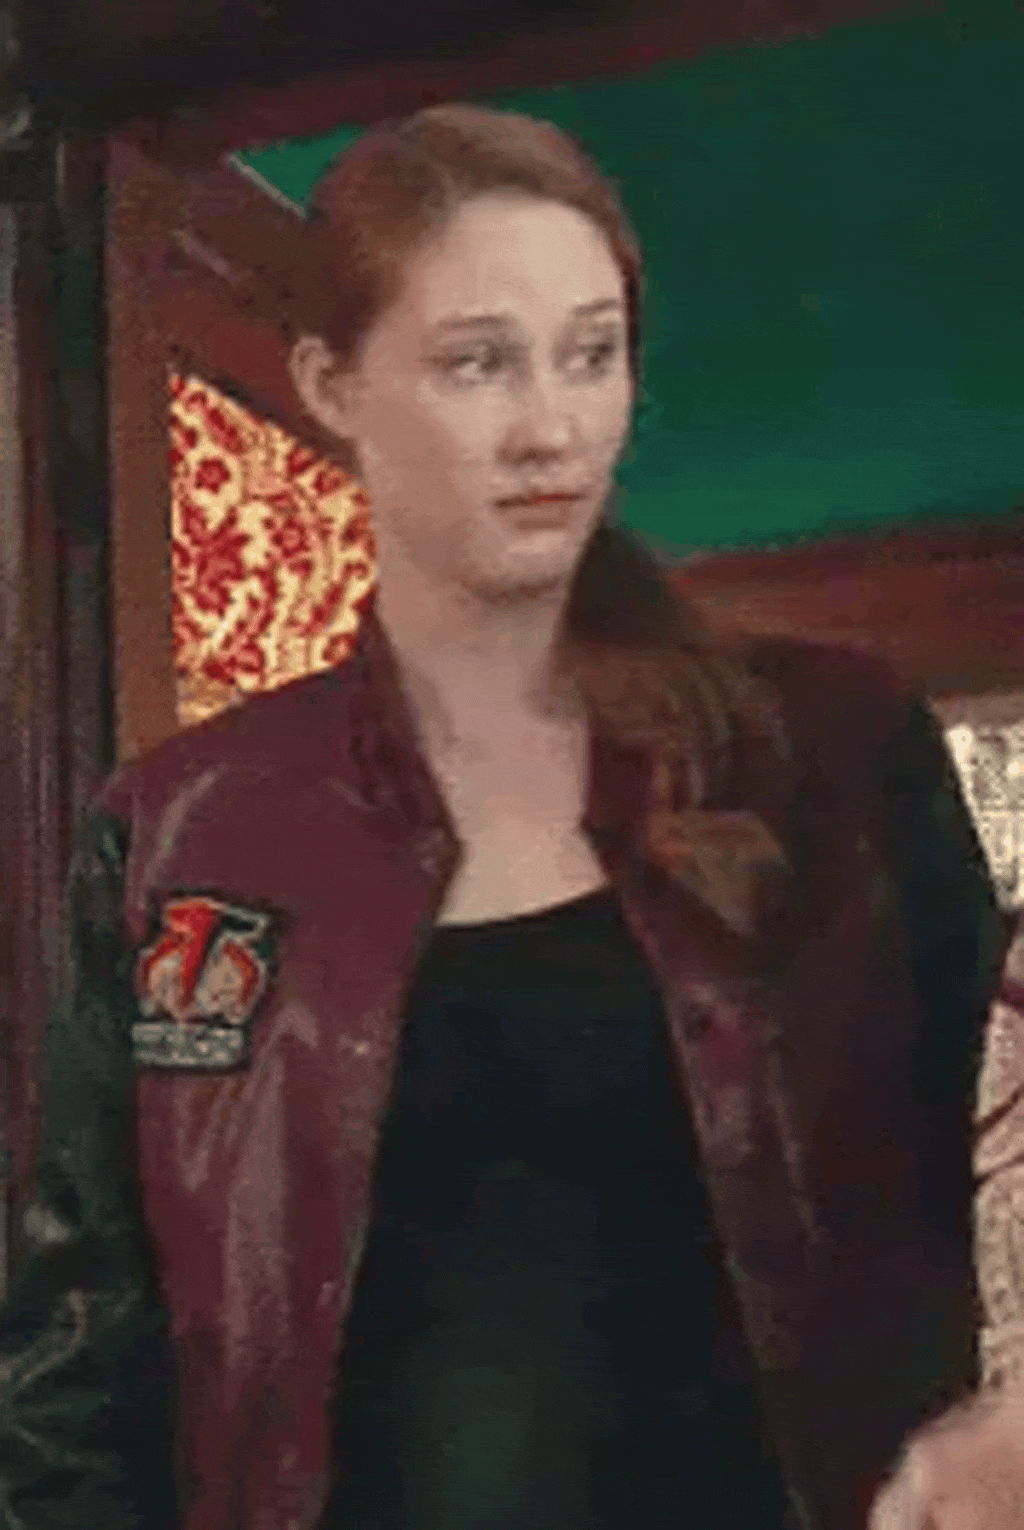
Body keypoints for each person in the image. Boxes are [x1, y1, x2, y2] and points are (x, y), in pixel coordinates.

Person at [0, 102, 1011, 1530]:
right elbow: (73, 1364)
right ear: (332, 383)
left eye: (591, 354)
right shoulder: (183, 830)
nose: (552, 427)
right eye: (478, 361)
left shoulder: (832, 753)